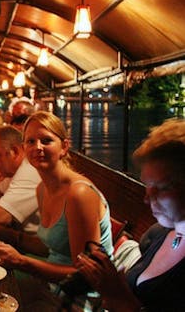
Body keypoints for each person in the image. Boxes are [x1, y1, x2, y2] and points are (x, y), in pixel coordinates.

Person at [0, 111, 113, 309]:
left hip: (78, 300)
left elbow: (85, 276)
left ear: (64, 147)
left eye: (46, 140)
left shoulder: (79, 194)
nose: (37, 147)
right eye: (31, 141)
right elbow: (51, 246)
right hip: (51, 286)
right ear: (23, 149)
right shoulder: (42, 188)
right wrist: (8, 241)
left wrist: (21, 262)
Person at [77, 118, 185, 311]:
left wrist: (118, 297)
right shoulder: (158, 234)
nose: (147, 198)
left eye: (161, 187)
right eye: (147, 185)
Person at [0, 126, 41, 238]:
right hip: (22, 239)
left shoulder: (29, 171)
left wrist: (5, 210)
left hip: (37, 248)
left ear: (14, 151)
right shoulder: (15, 170)